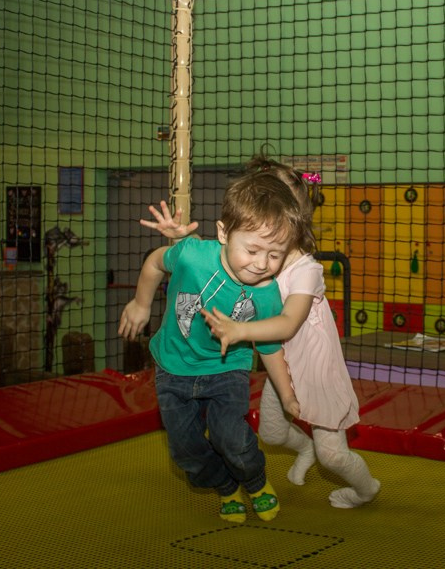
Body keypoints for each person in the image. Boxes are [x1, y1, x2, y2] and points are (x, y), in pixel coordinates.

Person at [142, 156, 380, 510]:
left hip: (315, 369)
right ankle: (306, 449)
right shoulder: (260, 256)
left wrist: (240, 330)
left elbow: (287, 323)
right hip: (280, 363)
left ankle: (366, 489)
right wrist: (186, 240)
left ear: (292, 216)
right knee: (271, 432)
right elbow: (222, 258)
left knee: (332, 454)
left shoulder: (305, 270)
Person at [118, 171, 306, 524]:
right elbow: (156, 261)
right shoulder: (193, 255)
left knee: (231, 438)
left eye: (275, 255)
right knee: (184, 451)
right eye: (252, 250)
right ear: (223, 234)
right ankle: (224, 484)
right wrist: (141, 304)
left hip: (227, 368)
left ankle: (254, 480)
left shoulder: (266, 293)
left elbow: (269, 347)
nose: (262, 264)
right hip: (173, 366)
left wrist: (287, 395)